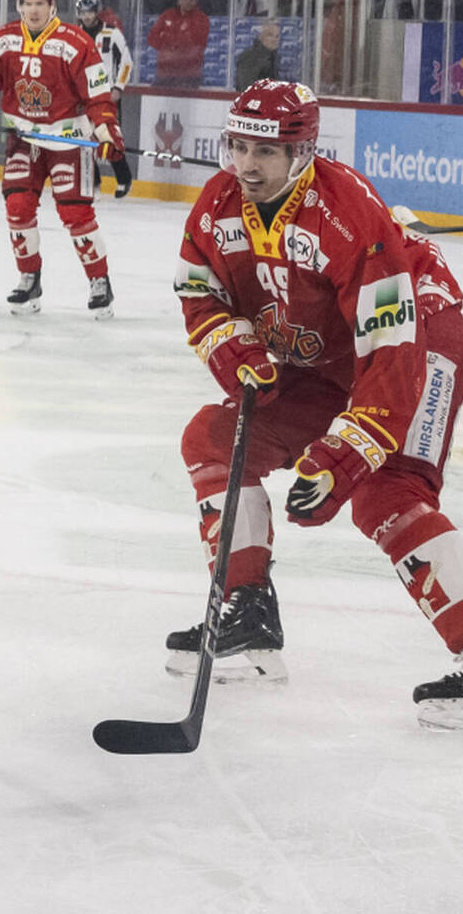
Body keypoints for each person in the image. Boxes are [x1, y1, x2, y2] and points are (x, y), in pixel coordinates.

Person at [170, 79, 463, 727]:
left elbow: (390, 345)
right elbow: (198, 289)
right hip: (329, 354)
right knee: (211, 439)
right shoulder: (219, 205)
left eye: (265, 152)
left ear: (300, 153)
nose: (247, 164)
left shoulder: (346, 213)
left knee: (387, 492)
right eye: (238, 146)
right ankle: (247, 614)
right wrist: (234, 351)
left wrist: (346, 455)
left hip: (422, 330)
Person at [0, 0, 124, 316]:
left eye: (39, 4)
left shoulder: (75, 43)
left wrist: (106, 132)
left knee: (75, 213)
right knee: (17, 207)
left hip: (68, 140)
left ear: (52, 5)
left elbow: (98, 96)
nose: (33, 10)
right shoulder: (4, 40)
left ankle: (99, 281)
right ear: (19, 5)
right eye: (27, 4)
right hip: (24, 139)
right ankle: (29, 278)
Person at [74, 0, 136, 198]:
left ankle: (124, 179)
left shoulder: (112, 33)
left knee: (110, 137)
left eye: (90, 12)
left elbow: (126, 61)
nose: (86, 16)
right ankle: (93, 181)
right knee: (84, 137)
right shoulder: (75, 35)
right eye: (83, 12)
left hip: (106, 94)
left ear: (97, 12)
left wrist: (118, 87)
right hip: (84, 95)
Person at [147, 0, 211, 88]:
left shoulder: (201, 19)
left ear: (197, 0)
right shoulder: (167, 15)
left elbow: (196, 45)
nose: (188, 1)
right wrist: (170, 46)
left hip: (188, 75)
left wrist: (167, 40)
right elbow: (152, 38)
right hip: (165, 73)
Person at [234, 19, 284, 88]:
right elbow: (247, 87)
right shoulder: (250, 57)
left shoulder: (274, 57)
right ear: (261, 36)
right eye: (270, 35)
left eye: (277, 36)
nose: (274, 39)